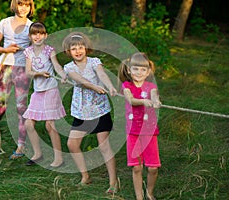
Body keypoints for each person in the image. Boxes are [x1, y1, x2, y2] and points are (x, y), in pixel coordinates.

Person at [62, 32, 120, 194]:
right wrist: (94, 87)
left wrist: (110, 86)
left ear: (86, 48)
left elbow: (101, 74)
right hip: (81, 111)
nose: (78, 51)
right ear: (68, 51)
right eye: (74, 48)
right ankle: (85, 176)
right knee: (72, 144)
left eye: (81, 47)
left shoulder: (95, 62)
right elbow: (79, 80)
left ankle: (113, 182)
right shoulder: (69, 68)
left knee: (104, 147)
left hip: (99, 109)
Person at [0, 0, 34, 159]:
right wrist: (7, 49)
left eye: (27, 5)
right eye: (21, 4)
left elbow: (36, 49)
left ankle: (21, 145)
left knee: (21, 106)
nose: (23, 8)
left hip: (22, 69)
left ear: (30, 7)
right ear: (15, 5)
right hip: (5, 66)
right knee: (1, 103)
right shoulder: (5, 23)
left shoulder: (31, 26)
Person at [22, 22, 66, 168]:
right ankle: (37, 154)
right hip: (38, 92)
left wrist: (63, 75)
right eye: (34, 34)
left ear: (45, 36)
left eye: (41, 33)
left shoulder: (49, 51)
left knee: (49, 125)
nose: (37, 36)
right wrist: (39, 73)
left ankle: (59, 158)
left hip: (51, 90)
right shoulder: (28, 52)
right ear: (30, 36)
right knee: (28, 123)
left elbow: (57, 65)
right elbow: (28, 72)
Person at [118, 52, 161, 200]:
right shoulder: (126, 86)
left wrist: (156, 102)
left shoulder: (151, 86)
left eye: (143, 70)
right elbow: (130, 99)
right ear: (129, 70)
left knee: (153, 167)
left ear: (148, 71)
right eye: (135, 69)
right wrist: (143, 102)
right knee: (136, 167)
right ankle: (139, 197)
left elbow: (155, 96)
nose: (139, 73)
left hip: (150, 132)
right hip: (133, 132)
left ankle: (149, 193)